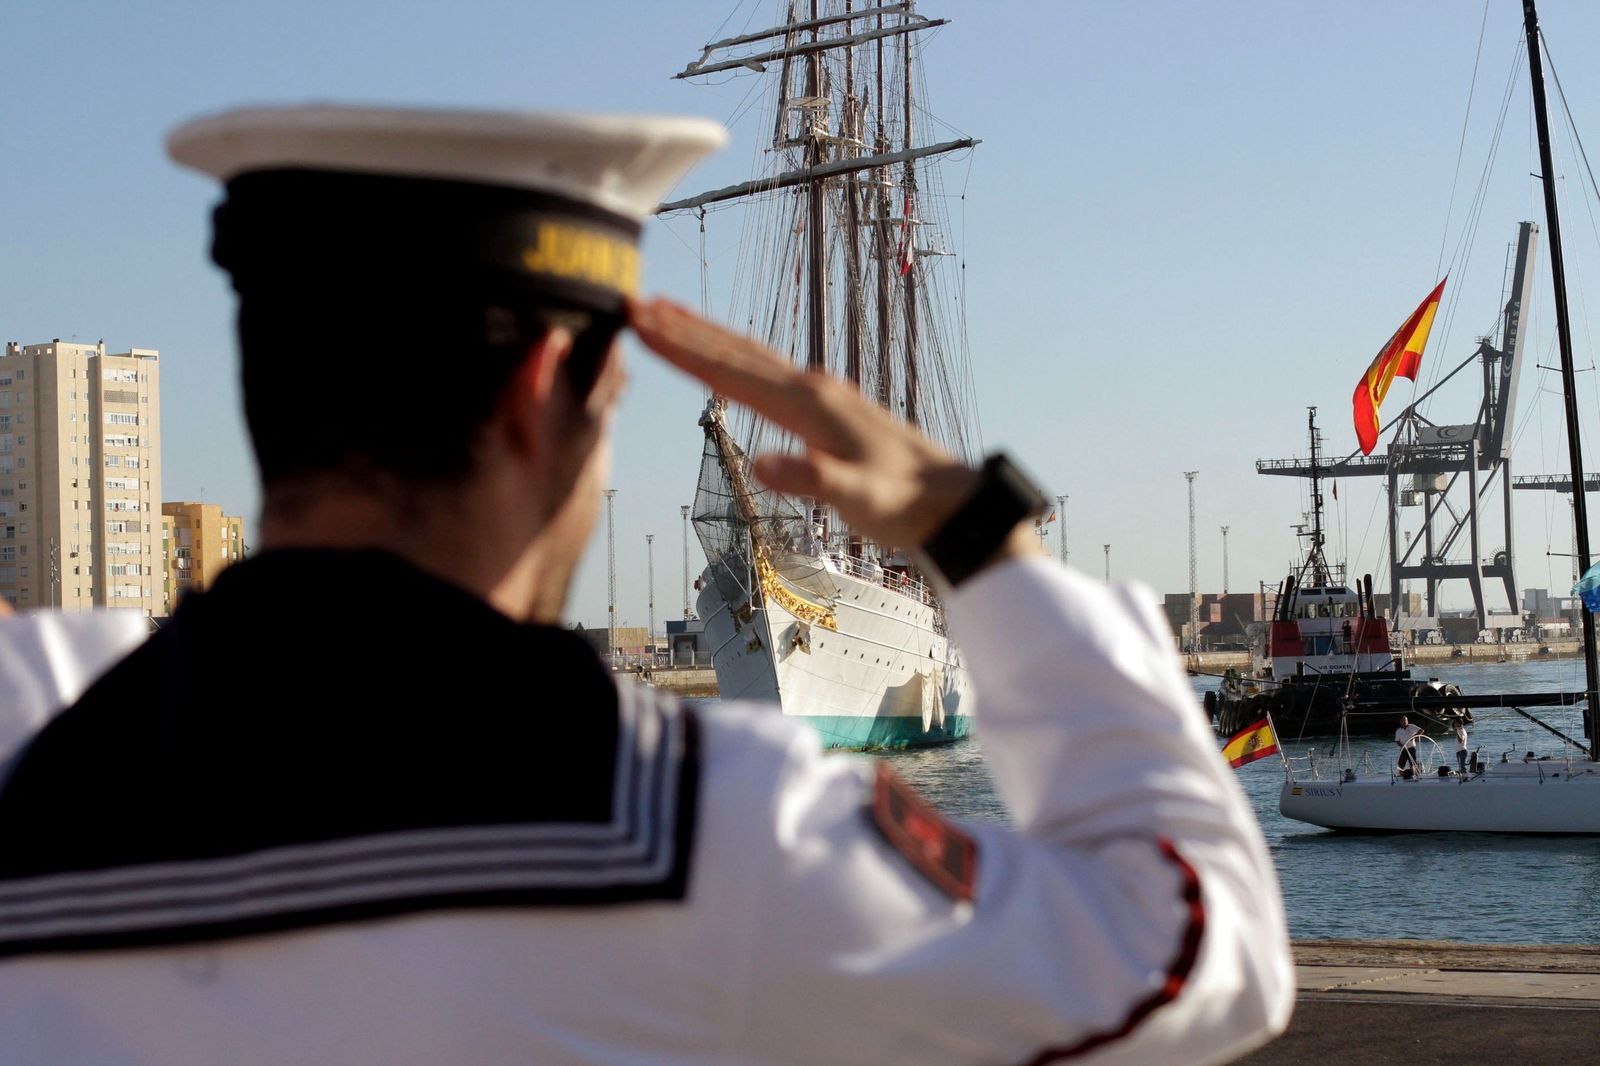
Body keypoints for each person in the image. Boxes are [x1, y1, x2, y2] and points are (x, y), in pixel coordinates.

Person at [0, 105, 1292, 1065]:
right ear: (534, 401)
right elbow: (1192, 947)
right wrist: (986, 543)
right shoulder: (698, 834)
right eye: (611, 405)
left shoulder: (35, 731)